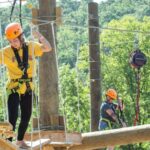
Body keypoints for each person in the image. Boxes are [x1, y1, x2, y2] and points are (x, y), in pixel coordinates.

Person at [0, 22, 52, 148]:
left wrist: (38, 35)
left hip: (28, 87)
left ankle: (20, 140)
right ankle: (8, 142)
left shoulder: (32, 46)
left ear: (21, 37)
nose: (13, 43)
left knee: (26, 115)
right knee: (13, 115)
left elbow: (48, 48)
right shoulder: (6, 52)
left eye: (15, 40)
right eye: (10, 41)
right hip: (14, 87)